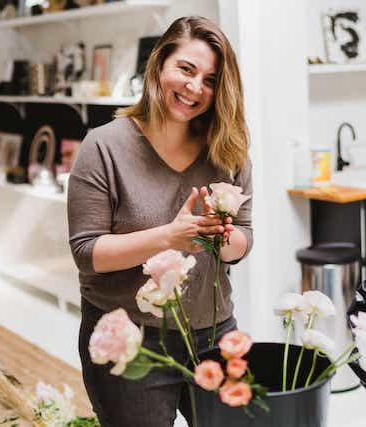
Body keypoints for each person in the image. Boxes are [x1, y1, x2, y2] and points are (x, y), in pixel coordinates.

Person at [68, 16, 252, 427]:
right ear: (159, 64)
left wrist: (218, 237)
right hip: (131, 341)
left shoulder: (227, 148)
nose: (194, 87)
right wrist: (170, 236)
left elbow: (244, 239)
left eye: (210, 80)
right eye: (186, 69)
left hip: (214, 332)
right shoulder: (104, 147)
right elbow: (87, 254)